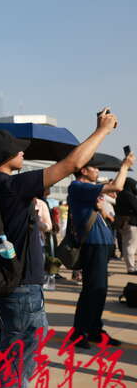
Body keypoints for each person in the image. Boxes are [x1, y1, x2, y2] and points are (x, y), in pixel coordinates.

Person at [0, 112, 121, 388]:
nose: (22, 152)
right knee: (16, 354)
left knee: (15, 350)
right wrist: (102, 130)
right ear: (4, 156)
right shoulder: (11, 186)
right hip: (21, 287)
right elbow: (71, 164)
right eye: (16, 149)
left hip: (4, 283)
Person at [68, 147, 133, 349]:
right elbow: (118, 187)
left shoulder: (89, 190)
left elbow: (112, 189)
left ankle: (94, 329)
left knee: (99, 290)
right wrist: (124, 166)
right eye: (94, 168)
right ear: (84, 170)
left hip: (101, 243)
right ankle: (80, 332)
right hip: (93, 243)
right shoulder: (78, 186)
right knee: (92, 290)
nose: (97, 170)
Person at [115, 177, 137, 274]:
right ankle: (131, 268)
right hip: (131, 223)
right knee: (130, 246)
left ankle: (130, 267)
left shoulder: (121, 194)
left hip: (123, 223)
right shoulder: (128, 195)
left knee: (126, 245)